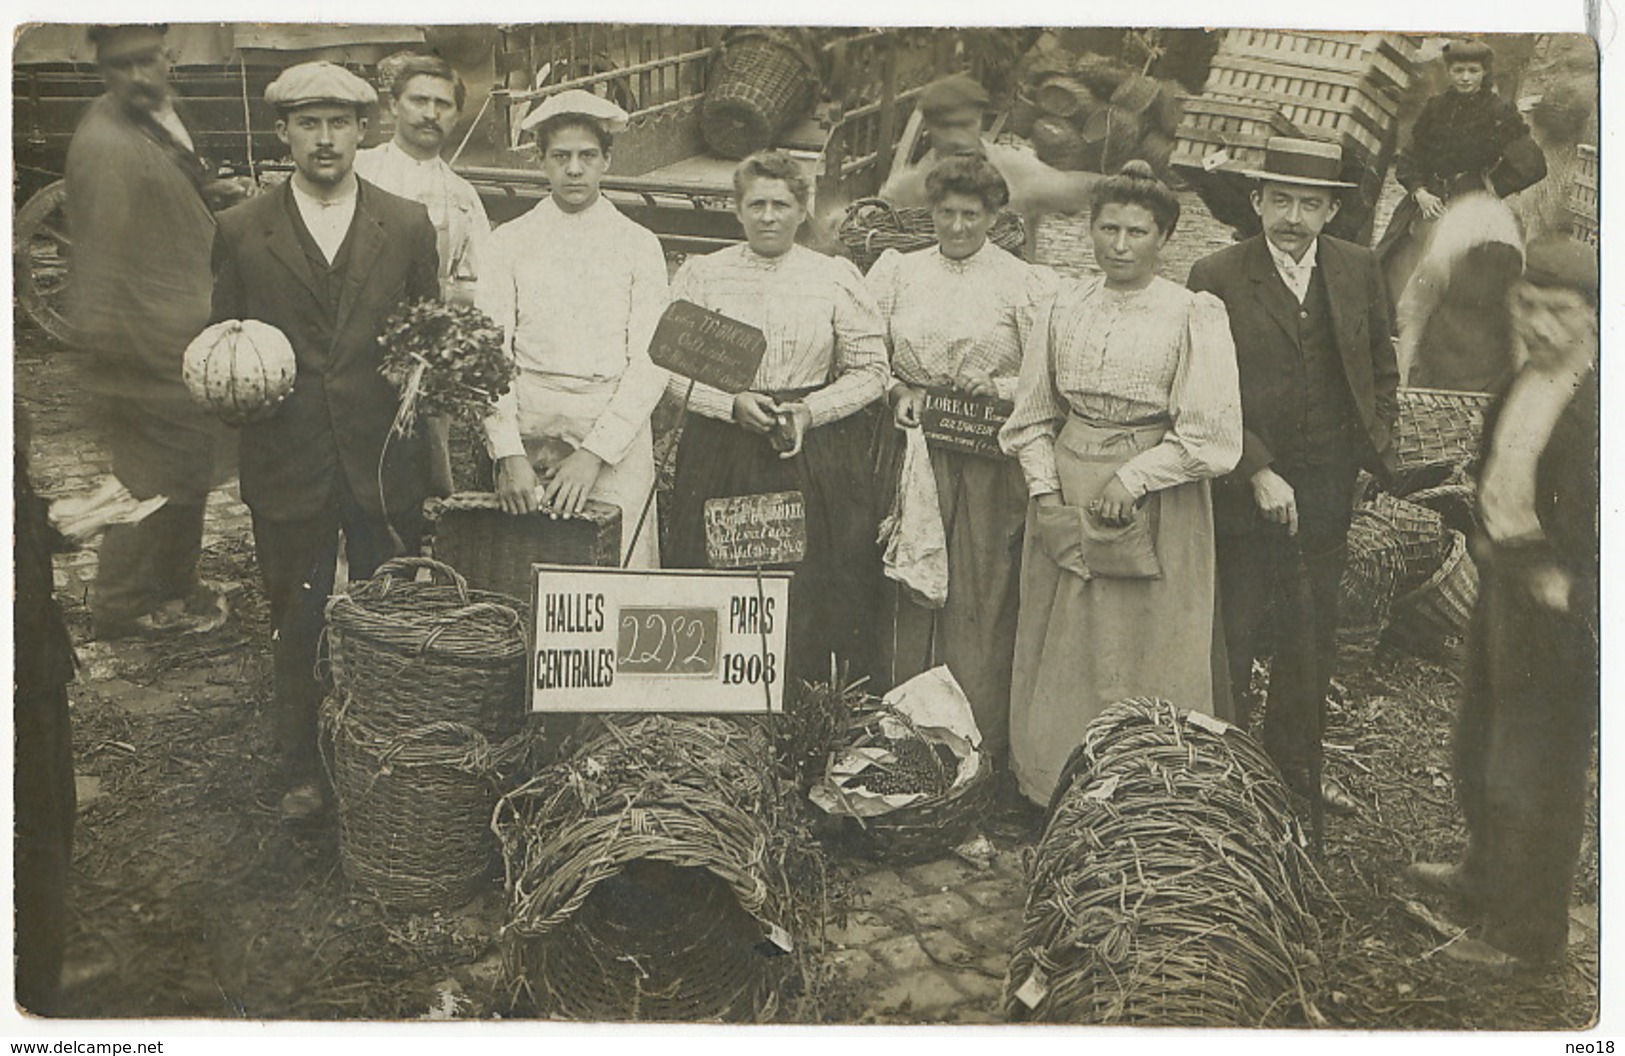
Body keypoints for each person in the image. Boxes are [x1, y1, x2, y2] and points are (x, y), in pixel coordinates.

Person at [209, 61, 440, 821]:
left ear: (363, 130)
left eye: (339, 121)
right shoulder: (242, 229)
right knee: (296, 616)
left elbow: (429, 339)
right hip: (288, 458)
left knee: (390, 617)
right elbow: (223, 339)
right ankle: (301, 771)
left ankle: (388, 762)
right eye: (308, 122)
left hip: (380, 460)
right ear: (283, 134)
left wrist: (427, 383)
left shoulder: (405, 222)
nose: (325, 138)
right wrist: (234, 389)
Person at [999, 160, 1241, 806]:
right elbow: (1031, 415)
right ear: (1090, 230)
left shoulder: (1191, 313)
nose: (1119, 245)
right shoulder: (1060, 304)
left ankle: (1145, 792)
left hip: (1158, 496)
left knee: (1143, 642)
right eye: (1107, 228)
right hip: (1070, 483)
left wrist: (1133, 478)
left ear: (1163, 237)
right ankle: (1058, 783)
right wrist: (1046, 494)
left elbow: (1212, 438)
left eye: (1137, 232)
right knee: (1067, 640)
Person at [1187, 138, 1399, 816]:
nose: (1292, 216)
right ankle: (1224, 771)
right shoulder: (1215, 274)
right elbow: (1201, 389)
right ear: (1255, 201)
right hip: (1243, 484)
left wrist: (1373, 452)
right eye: (1279, 200)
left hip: (1329, 483)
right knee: (1238, 623)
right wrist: (1255, 468)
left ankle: (1295, 773)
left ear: (1332, 210)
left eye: (1310, 203)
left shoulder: (1358, 268)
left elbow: (1380, 369)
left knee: (1312, 632)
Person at [1407, 237, 1597, 969]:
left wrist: (1573, 590)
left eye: (1560, 313)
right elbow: (1499, 467)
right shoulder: (1526, 376)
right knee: (1479, 738)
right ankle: (1483, 872)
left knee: (1535, 766)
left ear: (1594, 317)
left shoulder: (1596, 407)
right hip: (1503, 578)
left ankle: (1526, 935)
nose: (1541, 326)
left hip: (1558, 605)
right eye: (1529, 308)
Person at [664, 150, 890, 688]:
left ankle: (803, 710)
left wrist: (812, 411)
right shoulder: (705, 274)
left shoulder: (833, 277)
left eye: (781, 205)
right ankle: (718, 711)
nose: (768, 217)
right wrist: (730, 403)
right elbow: (668, 369)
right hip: (722, 450)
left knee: (812, 586)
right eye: (756, 205)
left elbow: (873, 371)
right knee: (721, 578)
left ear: (801, 209)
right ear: (737, 211)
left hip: (811, 454)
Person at [867, 155, 1056, 761]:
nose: (955, 227)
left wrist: (997, 391)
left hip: (984, 460)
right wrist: (898, 391)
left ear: (995, 216)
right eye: (945, 213)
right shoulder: (898, 272)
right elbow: (867, 351)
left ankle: (971, 745)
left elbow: (1043, 376)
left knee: (978, 594)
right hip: (910, 448)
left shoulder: (1023, 284)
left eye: (970, 215)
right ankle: (898, 734)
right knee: (905, 590)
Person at [65, 23, 232, 639]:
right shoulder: (106, 144)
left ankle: (174, 584)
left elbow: (172, 184)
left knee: (186, 465)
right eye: (119, 67)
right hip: (142, 344)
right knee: (147, 475)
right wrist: (116, 365)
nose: (136, 77)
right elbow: (100, 266)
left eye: (146, 61)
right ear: (101, 70)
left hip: (183, 328)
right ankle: (123, 602)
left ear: (170, 57)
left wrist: (212, 193)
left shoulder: (161, 111)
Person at [477, 90, 670, 568]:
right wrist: (507, 453)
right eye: (560, 157)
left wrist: (593, 454)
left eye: (587, 156)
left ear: (607, 160)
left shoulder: (639, 245)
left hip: (613, 442)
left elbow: (651, 362)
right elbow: (487, 355)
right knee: (528, 573)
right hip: (530, 436)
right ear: (540, 161)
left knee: (617, 576)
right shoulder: (509, 242)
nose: (575, 170)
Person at [357, 52, 494, 496]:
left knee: (421, 477)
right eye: (419, 100)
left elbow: (483, 282)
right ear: (393, 105)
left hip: (422, 358)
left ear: (456, 115)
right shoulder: (358, 171)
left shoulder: (462, 196)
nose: (430, 113)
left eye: (443, 104)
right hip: (353, 347)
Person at [1376, 39, 1542, 307]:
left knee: (1460, 275)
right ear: (1449, 72)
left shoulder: (1499, 110)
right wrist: (1419, 191)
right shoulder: (1435, 107)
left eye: (1473, 71)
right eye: (1458, 70)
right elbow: (1410, 156)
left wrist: (1490, 189)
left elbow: (1532, 164)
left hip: (1469, 204)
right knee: (1391, 260)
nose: (1465, 78)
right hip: (1426, 200)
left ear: (1484, 72)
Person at [14, 408, 79, 1015]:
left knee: (52, 811)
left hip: (34, 657)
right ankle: (35, 993)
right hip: (23, 667)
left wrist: (47, 524)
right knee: (38, 824)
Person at [879, 72, 1102, 217]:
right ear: (929, 126)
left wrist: (1127, 184)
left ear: (980, 119)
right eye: (945, 127)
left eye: (965, 125)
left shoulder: (1013, 169)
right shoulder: (907, 189)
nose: (957, 138)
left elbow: (1074, 189)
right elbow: (865, 224)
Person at [1395, 192, 1524, 390]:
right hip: (1444, 352)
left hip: (1492, 358)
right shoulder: (1443, 253)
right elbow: (1414, 311)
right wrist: (1402, 378)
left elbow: (1520, 320)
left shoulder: (1510, 247)